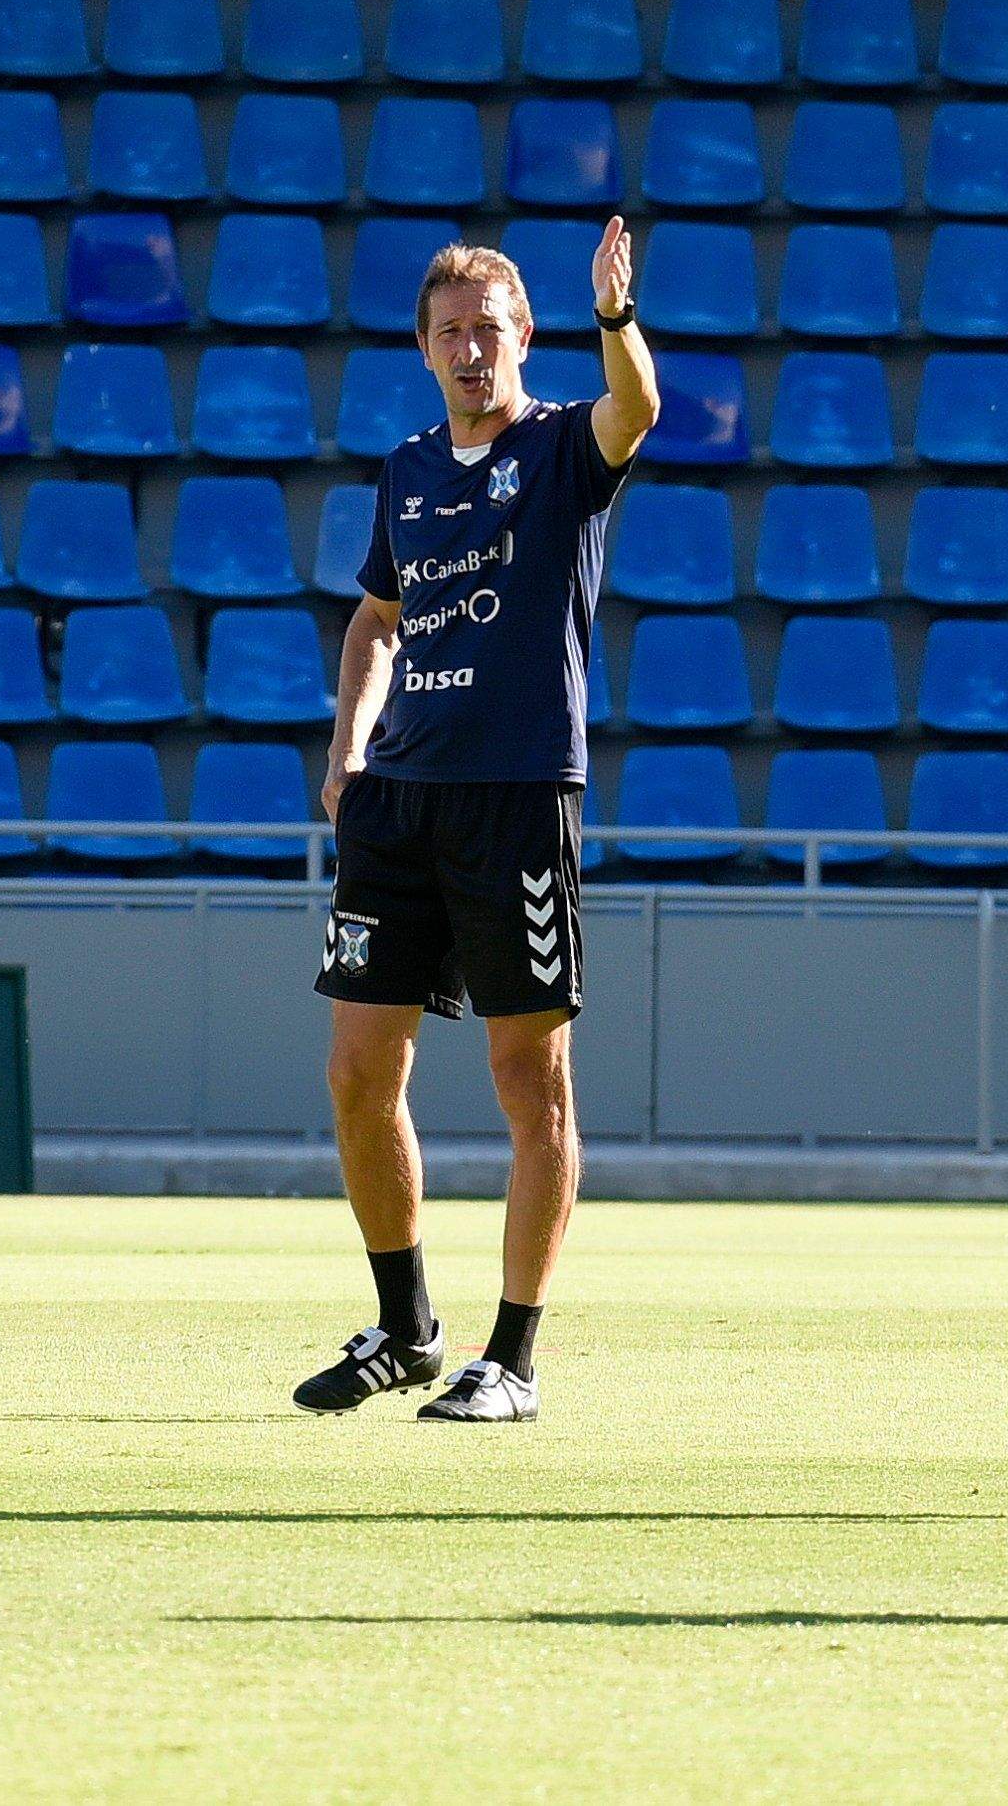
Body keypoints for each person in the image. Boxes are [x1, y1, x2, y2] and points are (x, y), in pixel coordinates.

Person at [290, 218, 656, 1425]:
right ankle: (405, 1331)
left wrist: (616, 322)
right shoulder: (403, 471)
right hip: (399, 800)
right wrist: (349, 744)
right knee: (356, 1070)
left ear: (523, 336)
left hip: (516, 795)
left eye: (487, 328)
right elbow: (376, 620)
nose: (469, 349)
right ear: (423, 347)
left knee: (526, 1074)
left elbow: (635, 412)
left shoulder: (560, 447)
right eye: (449, 332)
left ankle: (516, 1359)